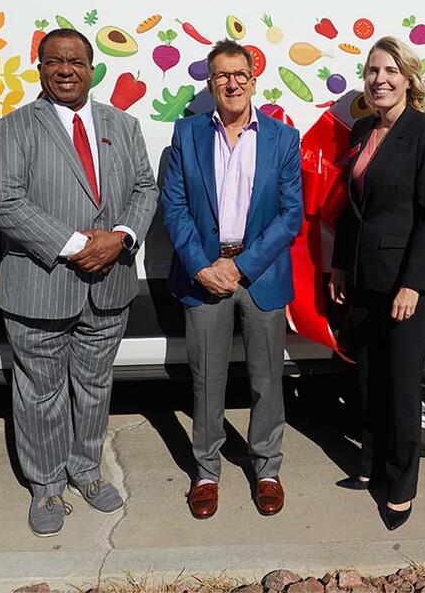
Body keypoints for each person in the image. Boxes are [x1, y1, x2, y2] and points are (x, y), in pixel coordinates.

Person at [0, 28, 157, 537]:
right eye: (55, 61)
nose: (66, 70)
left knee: (95, 386)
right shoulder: (14, 128)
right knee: (40, 393)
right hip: (42, 285)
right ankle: (45, 486)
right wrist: (77, 244)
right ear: (40, 67)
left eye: (76, 61)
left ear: (92, 68)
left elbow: (145, 188)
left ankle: (86, 469)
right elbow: (5, 202)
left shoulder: (122, 125)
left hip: (109, 286)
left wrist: (121, 238)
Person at [162, 39, 302, 520]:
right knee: (207, 381)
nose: (232, 83)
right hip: (203, 274)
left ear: (253, 81)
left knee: (267, 380)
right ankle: (206, 473)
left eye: (240, 74)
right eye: (222, 75)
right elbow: (174, 207)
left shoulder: (283, 138)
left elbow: (290, 214)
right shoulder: (187, 134)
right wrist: (203, 266)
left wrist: (241, 267)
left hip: (259, 274)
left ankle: (267, 469)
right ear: (210, 83)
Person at [327, 37, 425, 531]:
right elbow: (352, 208)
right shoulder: (362, 129)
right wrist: (341, 265)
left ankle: (401, 486)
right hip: (363, 277)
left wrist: (412, 284)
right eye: (373, 71)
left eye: (390, 71)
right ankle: (370, 464)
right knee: (368, 378)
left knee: (401, 385)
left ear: (409, 79)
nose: (379, 80)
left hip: (406, 282)